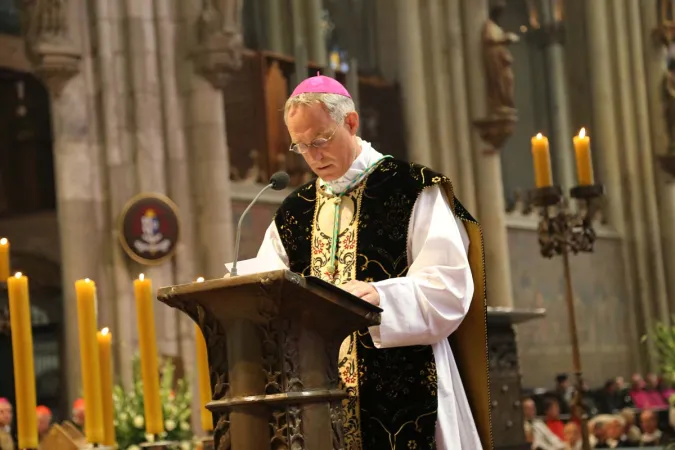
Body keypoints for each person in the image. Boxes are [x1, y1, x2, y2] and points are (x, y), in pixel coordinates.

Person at [256, 74, 489, 449]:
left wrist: (382, 297)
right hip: (319, 398)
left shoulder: (411, 188)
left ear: (351, 122)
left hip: (409, 389)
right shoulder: (293, 213)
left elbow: (448, 289)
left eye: (320, 140)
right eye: (301, 147)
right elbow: (267, 287)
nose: (313, 156)